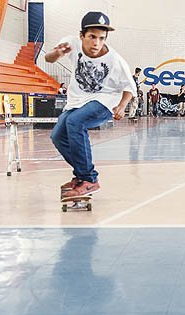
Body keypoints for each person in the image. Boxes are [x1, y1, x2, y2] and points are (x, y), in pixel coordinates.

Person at [45, 11, 137, 198]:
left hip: (105, 100)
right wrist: (57, 53)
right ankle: (81, 175)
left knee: (75, 122)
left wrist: (121, 106)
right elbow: (48, 59)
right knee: (57, 135)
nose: (96, 43)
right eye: (92, 37)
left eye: (101, 38)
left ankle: (89, 179)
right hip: (77, 101)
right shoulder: (71, 43)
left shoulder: (115, 60)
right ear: (82, 36)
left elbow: (130, 87)